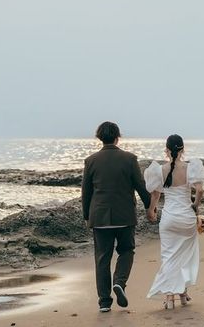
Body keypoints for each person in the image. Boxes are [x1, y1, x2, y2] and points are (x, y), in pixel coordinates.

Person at [82, 121, 152, 313]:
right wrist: (150, 207)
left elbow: (86, 193)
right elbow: (140, 185)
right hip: (124, 216)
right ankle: (119, 282)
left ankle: (104, 302)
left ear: (99, 138)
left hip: (100, 217)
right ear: (117, 137)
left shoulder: (91, 161)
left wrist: (87, 215)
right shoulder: (129, 159)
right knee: (127, 250)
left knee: (102, 258)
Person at [144, 134, 204, 309]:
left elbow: (155, 194)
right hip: (186, 218)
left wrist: (151, 210)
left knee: (169, 257)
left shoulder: (159, 170)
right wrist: (195, 205)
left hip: (169, 218)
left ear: (166, 150)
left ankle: (170, 297)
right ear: (182, 150)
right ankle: (183, 294)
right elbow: (200, 190)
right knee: (185, 257)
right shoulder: (190, 168)